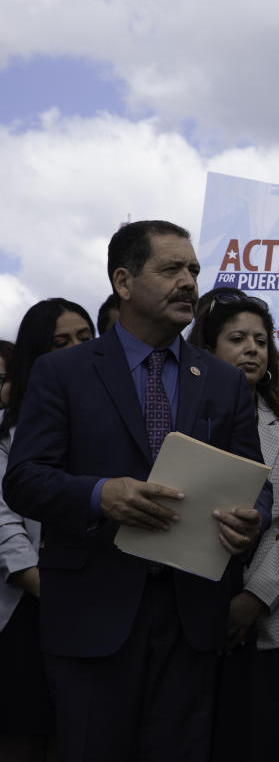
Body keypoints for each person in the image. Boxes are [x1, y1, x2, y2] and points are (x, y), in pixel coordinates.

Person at [2, 220, 269, 762]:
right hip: (92, 618)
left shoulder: (220, 381)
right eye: (172, 269)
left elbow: (255, 481)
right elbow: (24, 478)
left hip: (190, 620)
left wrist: (251, 519)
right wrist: (100, 494)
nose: (189, 281)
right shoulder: (62, 372)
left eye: (193, 269)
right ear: (123, 282)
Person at [188, 291, 279, 762]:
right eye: (237, 338)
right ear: (205, 349)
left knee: (267, 739)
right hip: (191, 606)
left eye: (261, 340)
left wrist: (253, 599)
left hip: (276, 612)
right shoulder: (185, 415)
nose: (252, 348)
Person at [0, 299, 95, 761]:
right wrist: (40, 582)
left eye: (85, 338)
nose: (76, 350)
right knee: (24, 732)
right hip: (28, 604)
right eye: (61, 343)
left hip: (102, 603)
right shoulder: (7, 432)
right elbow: (4, 521)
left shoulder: (112, 422)